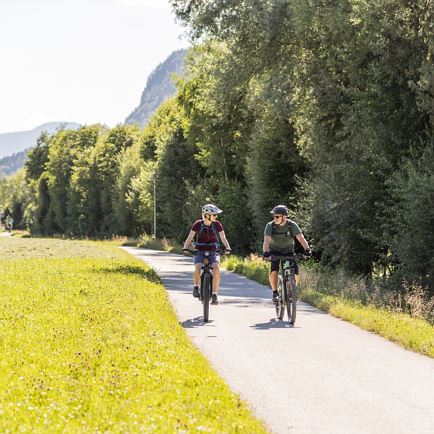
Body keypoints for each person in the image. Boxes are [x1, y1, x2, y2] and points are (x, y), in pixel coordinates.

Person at [182, 204, 231, 305]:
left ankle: (214, 294)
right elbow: (190, 237)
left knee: (216, 268)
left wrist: (228, 247)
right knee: (198, 267)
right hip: (199, 250)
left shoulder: (217, 224)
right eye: (214, 215)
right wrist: (185, 247)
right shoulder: (198, 224)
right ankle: (196, 287)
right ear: (207, 215)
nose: (216, 217)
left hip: (213, 250)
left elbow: (223, 238)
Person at [262, 205, 311, 303]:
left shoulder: (291, 225)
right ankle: (275, 293)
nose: (274, 218)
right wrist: (266, 252)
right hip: (274, 251)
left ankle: (290, 291)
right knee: (274, 270)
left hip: (289, 251)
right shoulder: (270, 225)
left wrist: (307, 249)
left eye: (277, 216)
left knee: (296, 274)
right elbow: (266, 240)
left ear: (284, 217)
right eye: (274, 216)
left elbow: (300, 238)